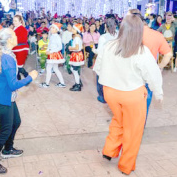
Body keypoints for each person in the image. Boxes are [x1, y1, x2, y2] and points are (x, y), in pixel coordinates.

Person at [94, 14, 163, 175]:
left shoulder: (109, 45)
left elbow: (98, 68)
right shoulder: (141, 51)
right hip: (132, 95)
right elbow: (153, 75)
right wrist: (158, 92)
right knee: (133, 130)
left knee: (119, 119)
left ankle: (109, 150)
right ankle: (126, 165)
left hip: (110, 92)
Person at [0, 28, 38, 174]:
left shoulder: (2, 52)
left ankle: (7, 149)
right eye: (14, 35)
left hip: (5, 97)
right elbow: (13, 84)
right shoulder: (6, 57)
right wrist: (30, 77)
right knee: (5, 131)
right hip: (2, 100)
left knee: (16, 122)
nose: (16, 35)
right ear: (9, 40)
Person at [93, 18, 118, 103]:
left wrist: (93, 50)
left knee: (100, 79)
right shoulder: (118, 35)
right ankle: (112, 97)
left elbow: (100, 52)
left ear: (105, 26)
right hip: (115, 61)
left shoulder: (103, 37)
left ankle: (102, 97)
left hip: (104, 61)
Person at [39, 23, 66, 88]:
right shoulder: (52, 36)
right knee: (55, 69)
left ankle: (47, 83)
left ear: (57, 30)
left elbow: (60, 47)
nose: (51, 29)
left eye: (53, 28)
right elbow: (50, 45)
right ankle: (62, 83)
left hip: (54, 54)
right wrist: (47, 50)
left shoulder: (57, 37)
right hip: (51, 54)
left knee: (49, 68)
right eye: (51, 27)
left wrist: (50, 51)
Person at [12, 15, 30, 80]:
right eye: (13, 20)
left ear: (20, 21)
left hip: (21, 49)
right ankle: (18, 80)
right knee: (15, 66)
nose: (14, 22)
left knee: (19, 66)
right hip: (16, 49)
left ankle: (27, 77)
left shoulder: (22, 29)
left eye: (16, 21)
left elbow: (22, 39)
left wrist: (11, 39)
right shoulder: (15, 28)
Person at [68, 24, 84, 92]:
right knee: (74, 69)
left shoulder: (77, 38)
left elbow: (77, 47)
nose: (72, 30)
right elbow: (81, 47)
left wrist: (71, 48)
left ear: (77, 31)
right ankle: (78, 82)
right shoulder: (78, 37)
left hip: (76, 55)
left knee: (74, 70)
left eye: (74, 29)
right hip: (77, 54)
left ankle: (78, 85)